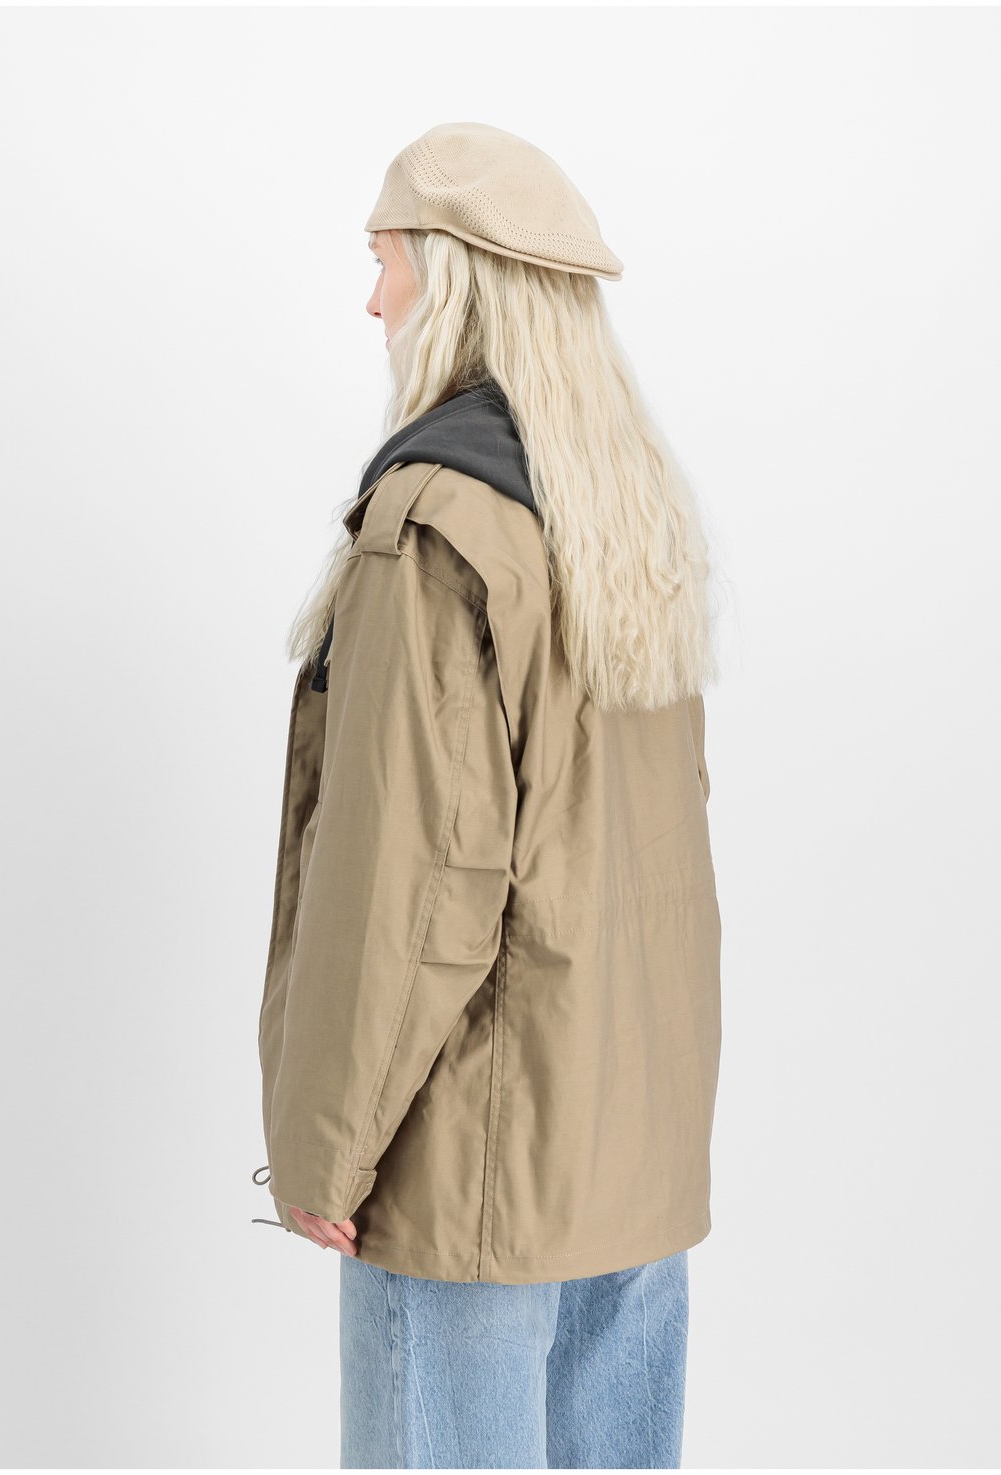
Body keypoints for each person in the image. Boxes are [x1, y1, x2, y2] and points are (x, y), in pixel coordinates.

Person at [252, 121, 722, 1470]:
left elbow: (414, 885)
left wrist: (328, 1153)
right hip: (629, 1158)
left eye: (384, 260)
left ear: (450, 277)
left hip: (473, 1168)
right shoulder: (627, 521)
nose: (372, 301)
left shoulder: (436, 529)